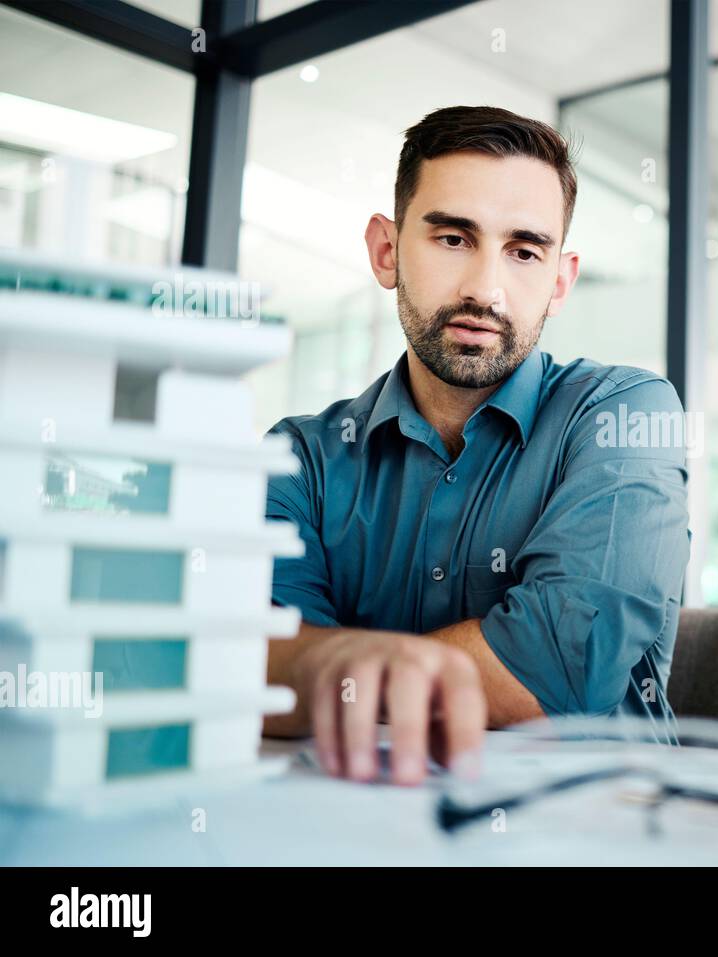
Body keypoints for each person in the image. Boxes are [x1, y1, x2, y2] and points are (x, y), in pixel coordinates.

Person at [262, 106, 691, 784]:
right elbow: (245, 663)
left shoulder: (626, 414)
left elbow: (557, 665)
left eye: (524, 251)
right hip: (350, 825)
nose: (485, 289)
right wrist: (296, 665)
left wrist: (332, 666)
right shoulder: (301, 458)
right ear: (386, 250)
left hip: (598, 834)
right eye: (454, 239)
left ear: (559, 279)